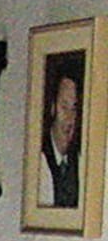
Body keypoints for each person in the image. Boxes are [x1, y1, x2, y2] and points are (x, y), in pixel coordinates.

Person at [42, 67, 82, 208]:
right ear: (53, 108)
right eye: (64, 107)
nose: (69, 118)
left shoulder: (81, 161)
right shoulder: (39, 158)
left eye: (74, 109)